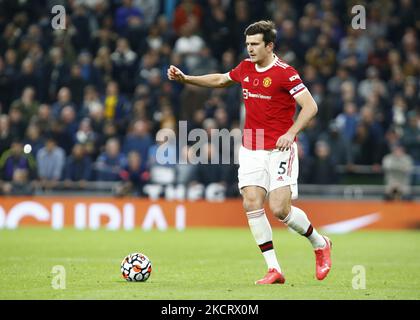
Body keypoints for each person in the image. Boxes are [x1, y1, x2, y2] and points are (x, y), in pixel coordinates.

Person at [167, 20, 332, 284]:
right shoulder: (245, 67)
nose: (250, 49)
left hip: (279, 148)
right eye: (247, 44)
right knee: (251, 202)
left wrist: (290, 133)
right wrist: (186, 78)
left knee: (280, 209)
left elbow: (310, 106)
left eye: (255, 44)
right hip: (251, 147)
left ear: (269, 45)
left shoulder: (285, 73)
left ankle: (320, 242)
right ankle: (274, 269)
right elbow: (221, 79)